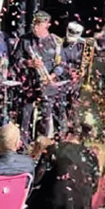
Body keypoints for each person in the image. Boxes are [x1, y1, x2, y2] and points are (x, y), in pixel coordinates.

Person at [27, 125, 100, 209]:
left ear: (67, 135)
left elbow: (36, 179)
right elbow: (94, 186)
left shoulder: (53, 149)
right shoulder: (91, 156)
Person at [15, 12, 63, 142]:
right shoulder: (25, 40)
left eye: (39, 25)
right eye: (35, 24)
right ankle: (24, 144)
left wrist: (51, 76)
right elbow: (16, 60)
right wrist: (28, 63)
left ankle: (43, 144)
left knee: (47, 115)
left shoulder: (55, 42)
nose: (35, 27)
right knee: (25, 114)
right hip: (29, 83)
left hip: (47, 84)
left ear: (47, 25)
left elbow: (61, 65)